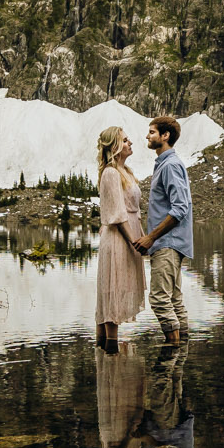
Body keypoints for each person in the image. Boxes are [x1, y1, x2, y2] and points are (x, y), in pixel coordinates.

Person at [134, 115, 192, 343]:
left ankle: (172, 353)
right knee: (174, 300)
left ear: (165, 136)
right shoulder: (165, 164)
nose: (147, 136)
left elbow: (180, 209)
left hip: (168, 243)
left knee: (159, 299)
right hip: (171, 243)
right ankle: (180, 357)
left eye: (151, 132)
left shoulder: (170, 165)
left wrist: (150, 238)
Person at [94, 125, 146, 348]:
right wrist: (133, 241)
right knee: (113, 290)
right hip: (118, 237)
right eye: (125, 140)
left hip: (129, 233)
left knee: (119, 288)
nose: (130, 143)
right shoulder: (110, 173)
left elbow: (134, 211)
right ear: (114, 146)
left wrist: (141, 237)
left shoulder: (127, 172)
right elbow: (116, 212)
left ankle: (107, 355)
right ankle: (110, 350)